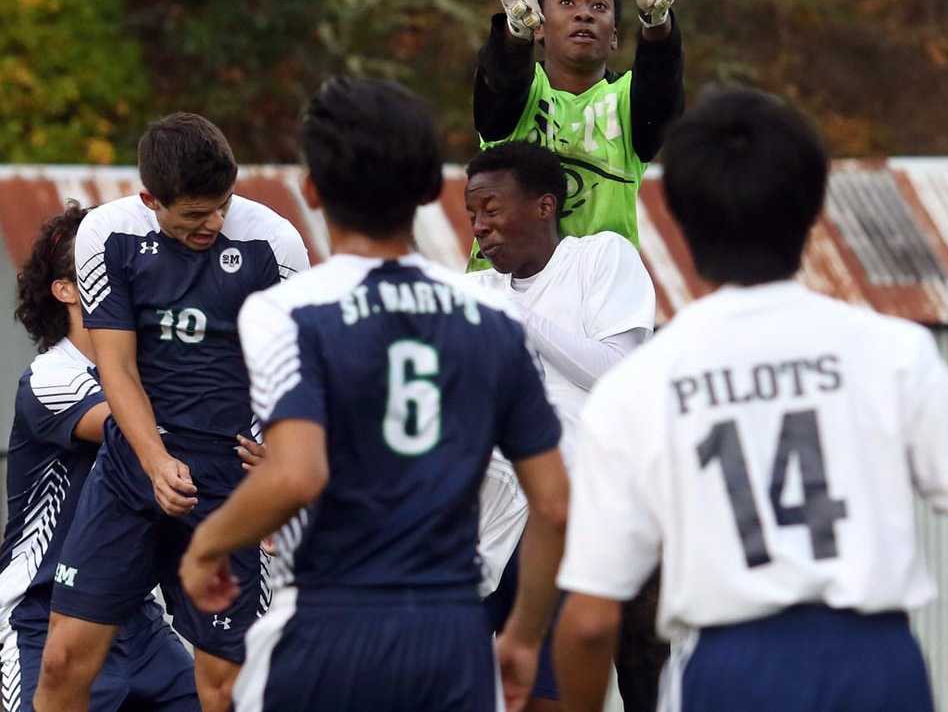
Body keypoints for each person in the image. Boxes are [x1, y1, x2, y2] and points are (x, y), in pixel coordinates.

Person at [553, 87, 948, 712]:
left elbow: (592, 621)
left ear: (678, 219)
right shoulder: (893, 350)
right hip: (877, 664)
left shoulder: (638, 387)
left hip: (730, 670)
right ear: (814, 207)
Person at [178, 77, 570, 712]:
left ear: (311, 187)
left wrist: (207, 544)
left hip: (330, 623)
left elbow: (297, 475)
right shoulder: (492, 315)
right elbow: (553, 505)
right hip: (452, 630)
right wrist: (522, 636)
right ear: (425, 190)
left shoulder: (287, 310)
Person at [33, 114, 309, 712]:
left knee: (224, 687)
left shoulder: (275, 242)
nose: (213, 223)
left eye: (223, 206)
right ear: (150, 199)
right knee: (60, 664)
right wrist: (155, 461)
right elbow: (117, 367)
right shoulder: (106, 233)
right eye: (194, 214)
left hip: (228, 483)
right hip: (134, 471)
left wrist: (280, 448)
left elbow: (297, 364)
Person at [465, 140, 656, 711]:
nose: (479, 228)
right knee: (447, 682)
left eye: (492, 210)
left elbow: (617, 372)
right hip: (481, 516)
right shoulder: (474, 290)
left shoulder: (600, 258)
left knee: (550, 694)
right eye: (472, 215)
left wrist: (517, 316)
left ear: (545, 206)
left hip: (566, 509)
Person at [0, 203, 198, 712]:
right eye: (100, 271)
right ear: (65, 290)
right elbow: (141, 431)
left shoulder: (153, 371)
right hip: (41, 618)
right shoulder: (50, 377)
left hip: (133, 612)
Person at [468, 0, 692, 272]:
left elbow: (661, 91)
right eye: (567, 2)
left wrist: (656, 21)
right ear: (541, 26)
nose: (584, 13)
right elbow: (501, 80)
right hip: (504, 296)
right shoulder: (522, 91)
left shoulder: (626, 101)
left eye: (600, 7)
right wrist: (515, 33)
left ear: (614, 36)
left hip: (596, 301)